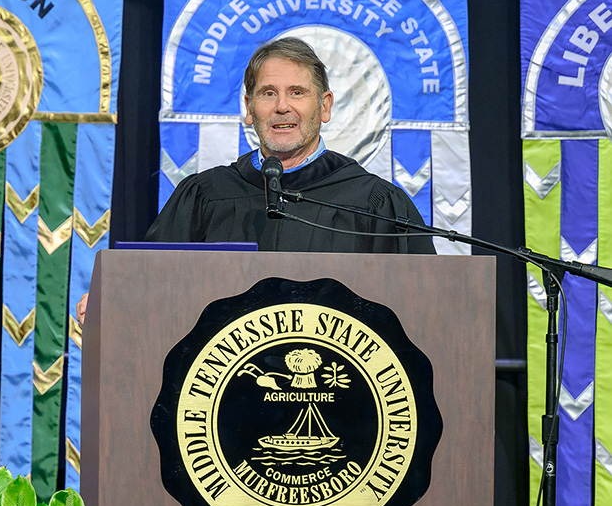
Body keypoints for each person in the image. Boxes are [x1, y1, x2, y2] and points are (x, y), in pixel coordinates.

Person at [76, 36, 434, 322]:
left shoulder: (374, 202)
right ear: (249, 109)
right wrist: (114, 299)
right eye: (268, 93)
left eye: (297, 92)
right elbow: (153, 280)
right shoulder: (207, 196)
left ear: (324, 106)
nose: (282, 107)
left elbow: (424, 303)